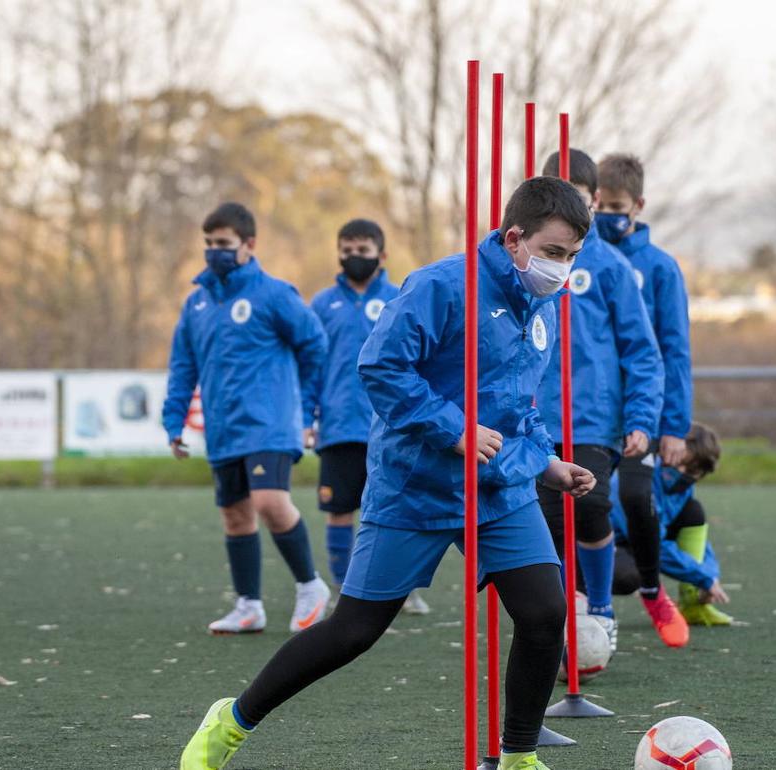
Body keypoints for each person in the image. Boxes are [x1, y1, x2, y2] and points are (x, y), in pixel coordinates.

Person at [179, 177, 598, 770]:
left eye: (572, 257)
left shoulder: (542, 306)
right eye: (554, 253)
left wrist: (547, 463)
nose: (561, 268)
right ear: (514, 239)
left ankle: (519, 756)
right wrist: (453, 431)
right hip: (416, 485)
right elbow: (379, 367)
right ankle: (233, 719)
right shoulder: (441, 286)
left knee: (544, 613)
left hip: (499, 488)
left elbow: (519, 405)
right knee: (354, 631)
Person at [535, 149, 686, 650]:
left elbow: (648, 351)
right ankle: (561, 616)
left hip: (594, 418)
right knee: (549, 520)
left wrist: (648, 419)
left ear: (594, 201)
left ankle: (602, 607)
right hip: (535, 416)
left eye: (575, 200)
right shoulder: (527, 261)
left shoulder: (612, 266)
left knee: (595, 505)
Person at [162, 202, 331, 636]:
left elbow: (315, 345)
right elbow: (184, 367)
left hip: (270, 424)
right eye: (209, 244)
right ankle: (248, 605)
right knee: (236, 516)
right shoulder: (196, 304)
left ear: (248, 245)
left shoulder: (274, 294)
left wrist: (308, 405)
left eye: (223, 243)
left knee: (269, 503)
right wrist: (173, 422)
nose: (214, 251)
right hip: (223, 428)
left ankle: (311, 587)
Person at [303, 219, 429, 614]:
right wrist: (307, 417)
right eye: (347, 249)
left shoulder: (400, 296)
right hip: (339, 426)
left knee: (395, 509)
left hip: (393, 427)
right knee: (339, 510)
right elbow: (311, 367)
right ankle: (343, 588)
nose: (354, 257)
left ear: (382, 254)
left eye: (363, 250)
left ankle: (403, 588)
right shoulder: (322, 305)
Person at [610, 423, 732, 626]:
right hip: (613, 541)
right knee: (629, 576)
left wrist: (710, 575)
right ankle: (586, 604)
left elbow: (699, 540)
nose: (682, 471)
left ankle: (692, 603)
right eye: (679, 461)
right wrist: (702, 577)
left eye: (692, 469)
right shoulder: (639, 480)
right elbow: (652, 544)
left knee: (693, 512)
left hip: (643, 539)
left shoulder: (683, 487)